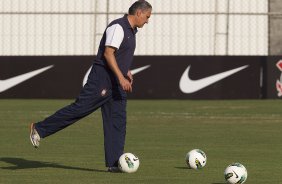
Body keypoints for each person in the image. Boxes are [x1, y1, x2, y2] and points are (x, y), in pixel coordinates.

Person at [29, 0, 152, 172]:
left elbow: (119, 55)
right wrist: (121, 77)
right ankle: (39, 128)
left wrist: (126, 71)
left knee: (117, 122)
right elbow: (108, 54)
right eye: (147, 17)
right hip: (102, 80)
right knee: (79, 109)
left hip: (116, 84)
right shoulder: (118, 27)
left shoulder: (132, 31)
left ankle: (114, 163)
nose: (147, 21)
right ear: (139, 13)